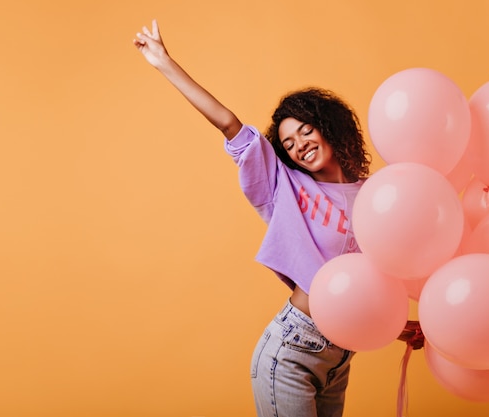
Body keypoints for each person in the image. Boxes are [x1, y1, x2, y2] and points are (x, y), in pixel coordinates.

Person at [133, 20, 372, 417]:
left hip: (340, 358)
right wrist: (164, 63)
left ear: (329, 127)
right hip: (293, 350)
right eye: (289, 143)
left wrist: (400, 326)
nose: (299, 146)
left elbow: (364, 284)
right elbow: (230, 124)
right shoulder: (286, 186)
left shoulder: (374, 197)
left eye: (306, 131)